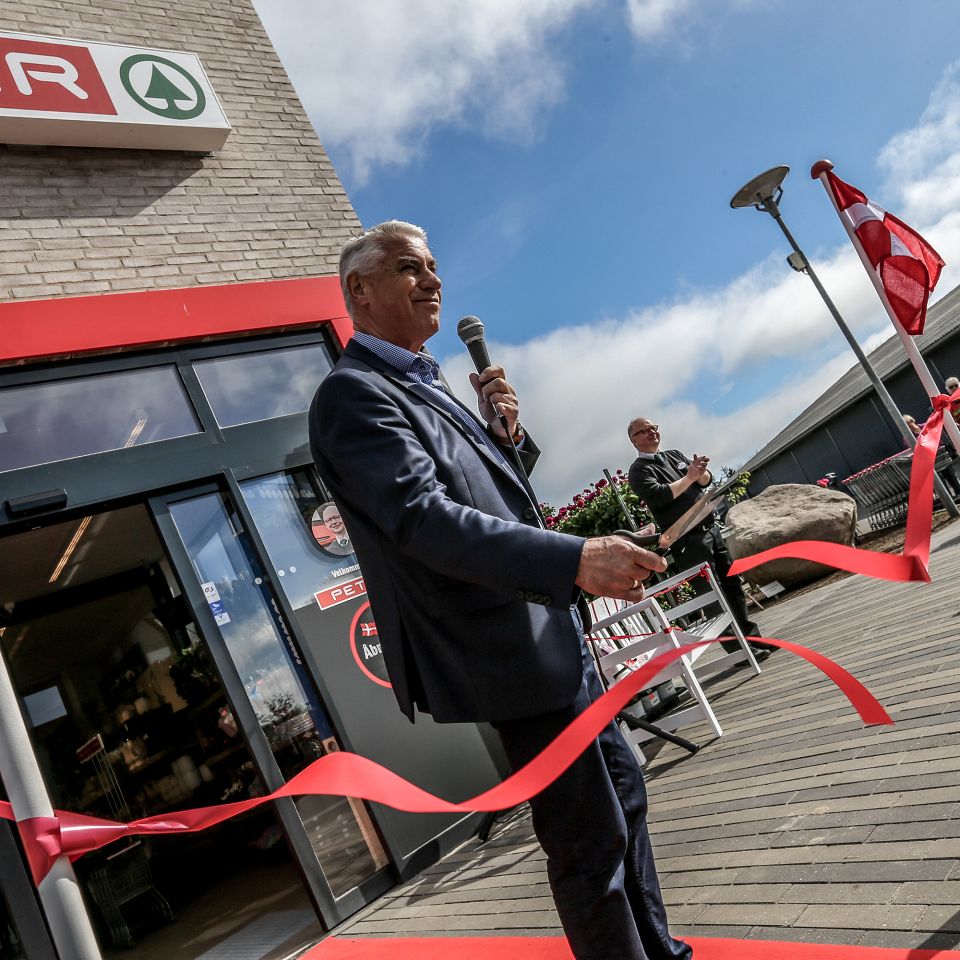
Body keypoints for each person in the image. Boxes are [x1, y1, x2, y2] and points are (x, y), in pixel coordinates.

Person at [309, 221, 692, 960]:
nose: (433, 281)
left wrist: (506, 438)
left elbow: (492, 498)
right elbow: (424, 521)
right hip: (505, 650)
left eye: (434, 267)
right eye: (408, 267)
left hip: (551, 634)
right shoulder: (353, 396)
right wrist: (575, 558)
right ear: (358, 288)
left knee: (627, 800)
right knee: (589, 842)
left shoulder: (430, 381)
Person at [626, 418, 770, 661]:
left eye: (654, 428)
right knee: (713, 596)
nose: (651, 432)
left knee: (733, 586)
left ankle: (752, 639)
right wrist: (690, 477)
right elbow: (660, 496)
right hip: (687, 541)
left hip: (710, 528)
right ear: (634, 440)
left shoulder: (673, 455)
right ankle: (738, 653)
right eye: (644, 431)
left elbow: (705, 480)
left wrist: (700, 473)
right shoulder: (639, 470)